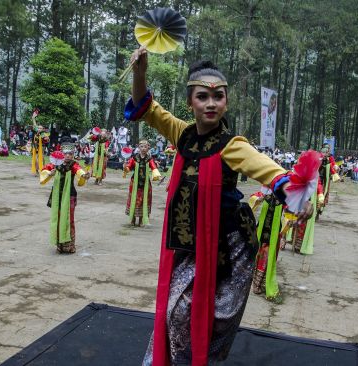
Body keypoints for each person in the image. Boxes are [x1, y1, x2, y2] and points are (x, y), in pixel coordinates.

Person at [125, 47, 314, 366]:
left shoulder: (232, 145)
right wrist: (140, 72)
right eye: (202, 96)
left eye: (219, 96)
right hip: (191, 243)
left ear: (226, 101)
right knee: (178, 313)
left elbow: (269, 170)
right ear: (190, 102)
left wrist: (297, 196)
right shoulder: (181, 133)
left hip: (231, 245)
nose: (211, 103)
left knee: (220, 318)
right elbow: (146, 107)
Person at [40, 149, 90, 254]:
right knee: (57, 218)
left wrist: (85, 175)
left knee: (68, 219)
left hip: (69, 195)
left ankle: (69, 246)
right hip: (57, 195)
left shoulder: (73, 165)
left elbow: (79, 171)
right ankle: (59, 245)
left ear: (73, 155)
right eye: (65, 153)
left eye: (70, 154)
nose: (67, 156)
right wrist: (50, 173)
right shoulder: (55, 163)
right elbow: (44, 170)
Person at [251, 186, 288, 301]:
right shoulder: (265, 192)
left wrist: (284, 236)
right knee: (258, 256)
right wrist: (257, 199)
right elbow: (253, 199)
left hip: (273, 234)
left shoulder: (284, 198)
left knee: (267, 258)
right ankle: (256, 284)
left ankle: (260, 284)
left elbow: (289, 215)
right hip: (261, 231)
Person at [123, 140, 161, 226]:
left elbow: (153, 167)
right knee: (133, 198)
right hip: (135, 183)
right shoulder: (134, 158)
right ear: (139, 148)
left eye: (145, 147)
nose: (143, 149)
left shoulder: (149, 159)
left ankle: (141, 219)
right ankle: (132, 219)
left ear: (148, 148)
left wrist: (156, 172)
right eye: (141, 147)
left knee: (144, 200)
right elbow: (129, 167)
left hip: (145, 183)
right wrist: (126, 168)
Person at [30, 111, 48, 176]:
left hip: (42, 147)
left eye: (41, 128)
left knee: (41, 157)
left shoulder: (43, 134)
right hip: (35, 146)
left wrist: (46, 138)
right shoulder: (36, 130)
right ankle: (37, 170)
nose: (39, 129)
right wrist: (33, 117)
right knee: (35, 158)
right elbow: (34, 124)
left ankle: (43, 169)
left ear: (42, 129)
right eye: (38, 128)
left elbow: (47, 139)